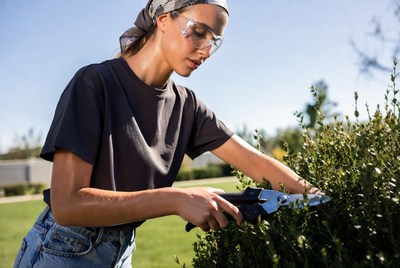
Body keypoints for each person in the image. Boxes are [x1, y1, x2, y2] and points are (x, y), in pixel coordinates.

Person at [14, 0, 323, 267]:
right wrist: (177, 199)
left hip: (121, 248)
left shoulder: (187, 106)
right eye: (199, 32)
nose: (206, 50)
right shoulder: (94, 83)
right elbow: (68, 206)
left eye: (214, 41)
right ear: (163, 19)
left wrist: (322, 199)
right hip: (62, 249)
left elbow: (255, 162)